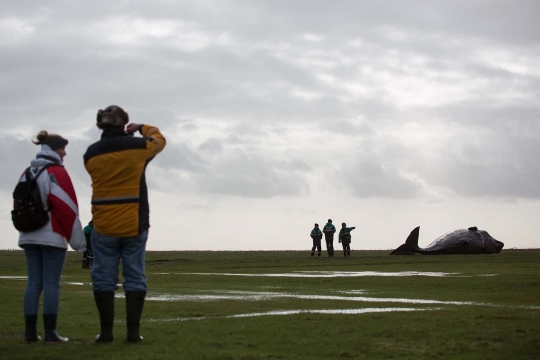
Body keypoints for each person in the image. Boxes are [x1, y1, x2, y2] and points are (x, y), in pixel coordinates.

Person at [83, 105, 166, 342]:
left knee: (102, 277)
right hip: (134, 222)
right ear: (123, 124)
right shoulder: (139, 147)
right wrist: (141, 128)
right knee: (135, 275)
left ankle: (106, 333)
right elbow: (159, 140)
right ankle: (133, 333)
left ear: (101, 125)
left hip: (103, 224)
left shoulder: (90, 154)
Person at [18, 131, 86, 343]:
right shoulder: (57, 172)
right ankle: (50, 333)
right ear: (55, 149)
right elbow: (67, 209)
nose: (65, 152)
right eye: (63, 148)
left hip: (28, 235)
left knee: (33, 284)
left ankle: (30, 333)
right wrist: (81, 244)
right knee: (51, 284)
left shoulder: (27, 172)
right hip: (52, 237)